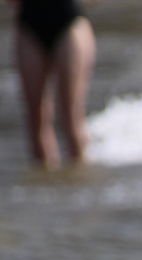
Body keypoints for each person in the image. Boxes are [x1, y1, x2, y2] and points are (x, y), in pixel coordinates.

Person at [11, 0, 97, 168]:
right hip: (29, 23)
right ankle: (46, 186)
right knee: (35, 118)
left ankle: (78, 180)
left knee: (71, 118)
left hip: (69, 21)